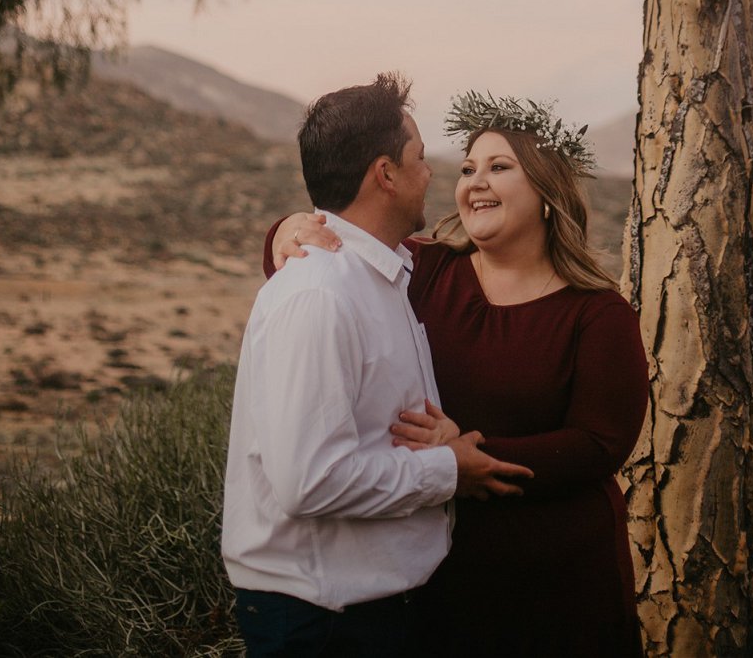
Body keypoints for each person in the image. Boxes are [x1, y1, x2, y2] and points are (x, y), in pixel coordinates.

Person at [269, 90, 649, 658]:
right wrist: (286, 229)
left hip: (560, 578)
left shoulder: (598, 313)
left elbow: (600, 444)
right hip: (438, 573)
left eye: (499, 167)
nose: (474, 181)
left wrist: (468, 454)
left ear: (548, 193)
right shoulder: (422, 272)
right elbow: (339, 257)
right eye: (467, 167)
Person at [224, 73, 532, 658]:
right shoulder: (321, 293)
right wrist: (447, 470)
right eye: (419, 157)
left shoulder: (384, 278)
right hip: (323, 622)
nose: (432, 172)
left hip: (369, 614)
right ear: (385, 174)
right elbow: (309, 480)